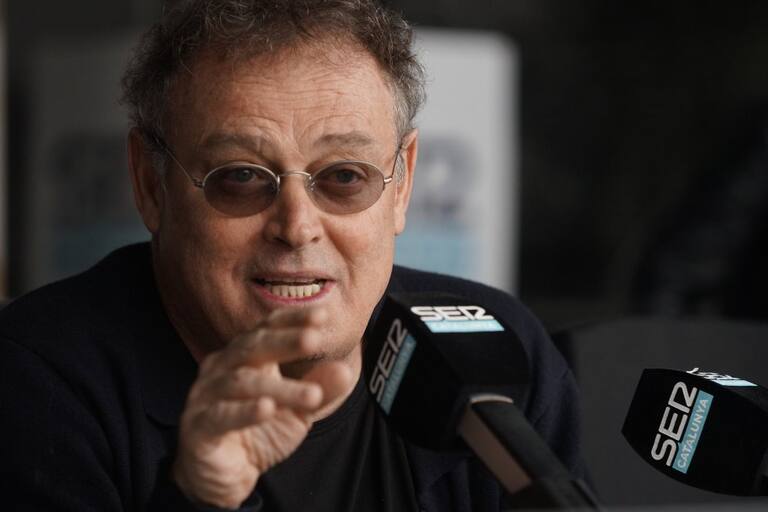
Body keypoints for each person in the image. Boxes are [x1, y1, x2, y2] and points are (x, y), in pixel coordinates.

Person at [0, 1, 585, 510]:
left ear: (402, 186)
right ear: (151, 186)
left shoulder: (496, 350)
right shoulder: (37, 381)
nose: (297, 228)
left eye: (345, 177)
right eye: (241, 178)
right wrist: (200, 495)